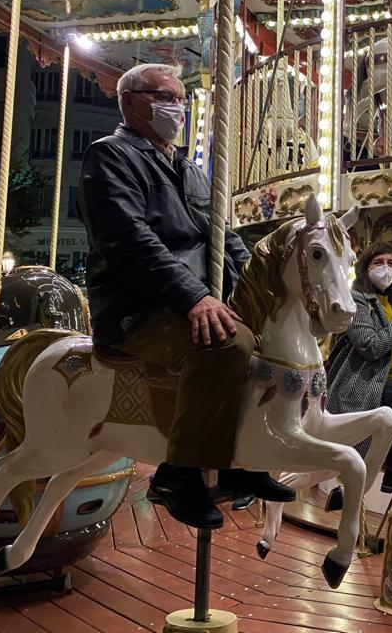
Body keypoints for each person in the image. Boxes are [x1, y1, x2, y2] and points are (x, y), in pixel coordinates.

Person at [76, 63, 295, 529]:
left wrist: (261, 284)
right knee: (227, 344)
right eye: (164, 96)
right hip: (138, 305)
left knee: (274, 341)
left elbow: (223, 235)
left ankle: (244, 462)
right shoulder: (110, 157)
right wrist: (194, 298)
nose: (176, 106)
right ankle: (178, 473)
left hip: (192, 297)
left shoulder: (188, 169)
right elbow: (128, 241)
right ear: (131, 100)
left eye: (180, 97)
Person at [326, 242, 392, 497]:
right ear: (365, 269)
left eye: (391, 263)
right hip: (362, 385)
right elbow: (371, 347)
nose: (386, 269)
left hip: (388, 381)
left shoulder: (389, 304)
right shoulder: (355, 302)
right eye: (378, 263)